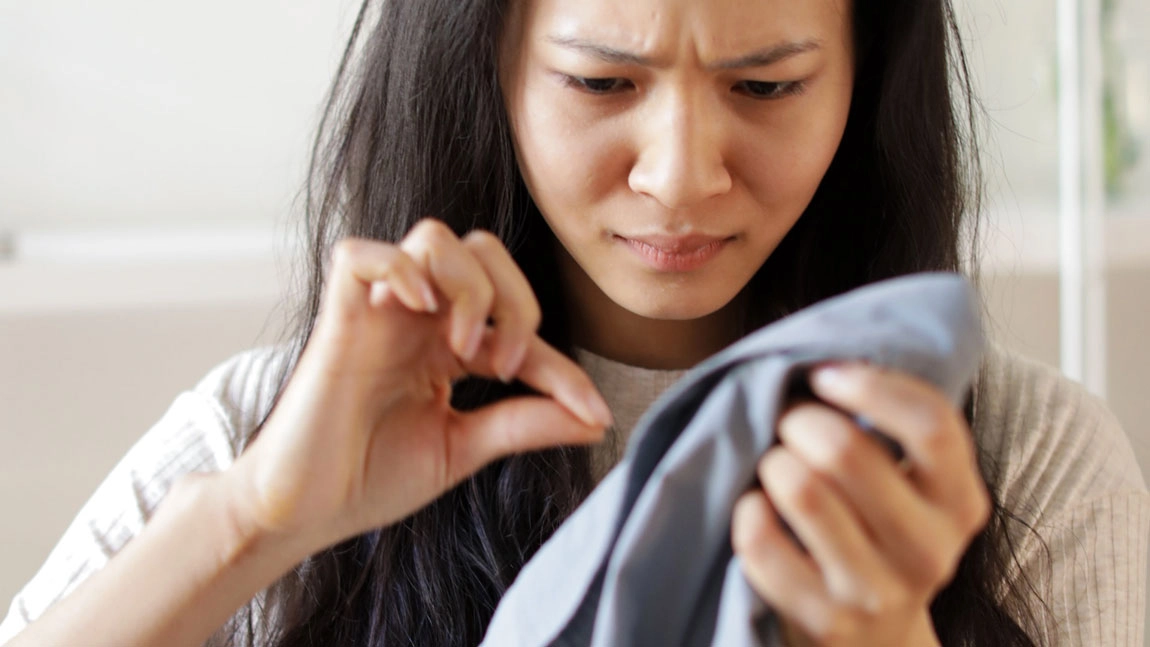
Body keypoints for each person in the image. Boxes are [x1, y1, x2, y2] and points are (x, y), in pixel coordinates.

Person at [1, 0, 1146, 645]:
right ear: (482, 65)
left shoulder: (1026, 457)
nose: (683, 175)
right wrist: (253, 522)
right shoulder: (280, 427)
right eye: (602, 85)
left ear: (863, 79)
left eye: (768, 86)